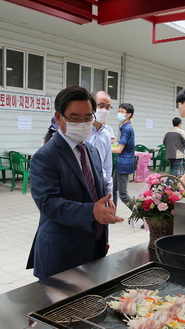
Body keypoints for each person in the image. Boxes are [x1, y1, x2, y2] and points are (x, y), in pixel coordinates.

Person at [26, 86, 123, 278]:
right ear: (59, 117)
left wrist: (102, 237)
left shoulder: (91, 150)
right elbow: (48, 204)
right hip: (62, 254)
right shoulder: (46, 156)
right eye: (74, 118)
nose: (82, 123)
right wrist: (91, 212)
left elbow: (98, 198)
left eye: (87, 117)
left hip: (93, 249)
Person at [87, 90, 114, 194]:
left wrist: (109, 194)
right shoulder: (83, 131)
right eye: (101, 106)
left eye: (108, 107)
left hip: (100, 185)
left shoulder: (106, 135)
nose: (104, 110)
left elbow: (107, 167)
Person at [112, 103, 135, 208]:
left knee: (123, 195)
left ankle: (143, 216)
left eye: (122, 112)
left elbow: (119, 149)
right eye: (118, 111)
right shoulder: (125, 127)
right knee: (112, 190)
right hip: (120, 163)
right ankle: (112, 213)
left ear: (128, 114)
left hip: (123, 164)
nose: (119, 114)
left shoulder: (127, 129)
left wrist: (105, 148)